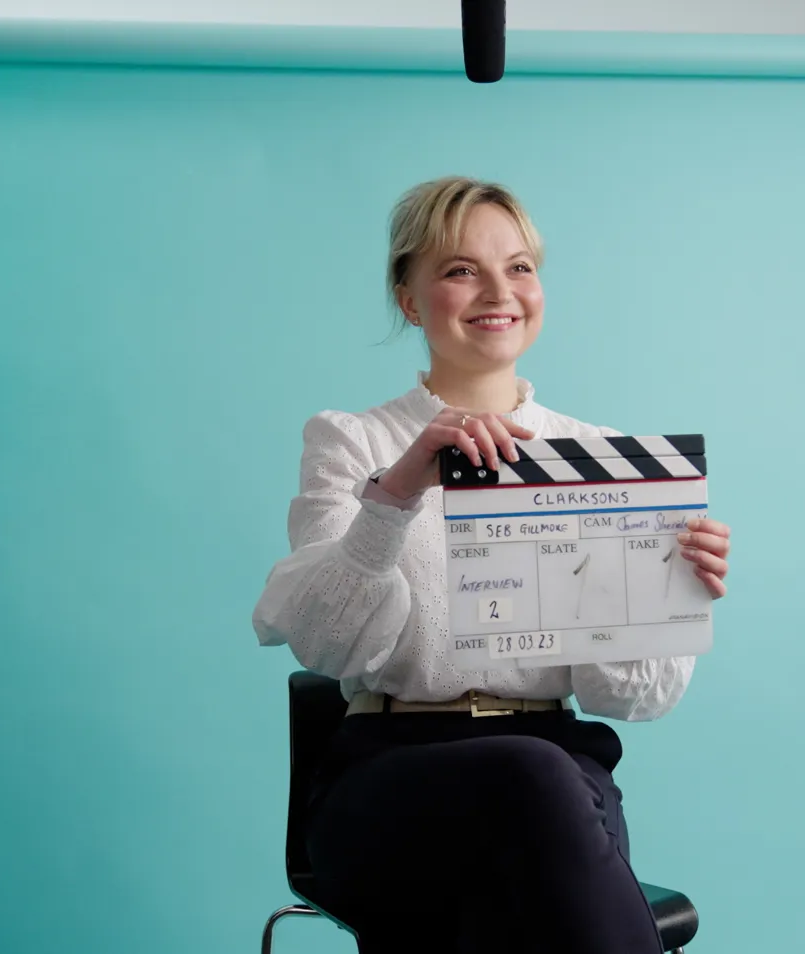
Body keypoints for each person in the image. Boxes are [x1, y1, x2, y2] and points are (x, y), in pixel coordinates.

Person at [251, 175, 734, 953]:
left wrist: (669, 592)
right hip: (392, 781)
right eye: (460, 269)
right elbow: (330, 644)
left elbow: (632, 699)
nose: (498, 291)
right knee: (532, 788)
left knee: (540, 789)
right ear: (409, 299)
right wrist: (399, 489)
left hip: (559, 782)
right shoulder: (353, 443)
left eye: (520, 267)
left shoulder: (604, 460)